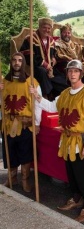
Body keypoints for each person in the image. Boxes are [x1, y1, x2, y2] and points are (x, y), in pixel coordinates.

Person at [30, 59, 84, 223]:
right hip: (67, 140)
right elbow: (53, 107)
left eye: (76, 71)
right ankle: (76, 198)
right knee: (72, 172)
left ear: (81, 74)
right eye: (70, 71)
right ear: (67, 74)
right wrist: (38, 97)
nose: (73, 74)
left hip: (81, 140)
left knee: (83, 174)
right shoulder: (65, 94)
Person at [0, 52, 42, 193]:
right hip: (8, 123)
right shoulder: (4, 83)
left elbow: (38, 105)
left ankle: (25, 179)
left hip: (24, 124)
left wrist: (36, 123)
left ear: (23, 63)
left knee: (25, 154)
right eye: (14, 60)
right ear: (11, 63)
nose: (17, 63)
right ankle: (12, 178)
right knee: (9, 152)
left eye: (19, 60)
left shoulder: (32, 83)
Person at [20, 17, 68, 99]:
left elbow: (55, 54)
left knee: (61, 75)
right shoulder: (30, 39)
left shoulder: (51, 41)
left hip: (50, 68)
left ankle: (63, 95)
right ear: (39, 27)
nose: (47, 30)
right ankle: (46, 96)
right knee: (42, 72)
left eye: (49, 28)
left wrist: (54, 59)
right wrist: (44, 64)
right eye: (44, 27)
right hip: (34, 68)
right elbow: (27, 56)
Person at [54, 24, 84, 97]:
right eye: (64, 32)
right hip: (70, 65)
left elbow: (82, 53)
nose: (67, 34)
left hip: (80, 64)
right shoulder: (57, 44)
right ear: (61, 33)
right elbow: (58, 56)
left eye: (68, 33)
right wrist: (68, 58)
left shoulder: (74, 44)